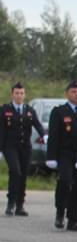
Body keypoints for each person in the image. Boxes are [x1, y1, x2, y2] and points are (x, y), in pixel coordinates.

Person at [45, 80, 77, 230]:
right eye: (73, 92)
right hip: (65, 154)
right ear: (67, 94)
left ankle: (73, 219)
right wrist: (51, 157)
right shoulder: (59, 112)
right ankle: (60, 212)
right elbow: (53, 136)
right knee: (65, 181)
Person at [0, 82, 44, 216]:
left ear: (24, 95)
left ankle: (20, 205)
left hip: (25, 147)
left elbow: (38, 125)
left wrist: (44, 136)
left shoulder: (29, 110)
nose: (19, 96)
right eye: (17, 93)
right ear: (12, 94)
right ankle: (11, 203)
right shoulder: (4, 110)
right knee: (15, 171)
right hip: (9, 147)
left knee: (23, 175)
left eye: (21, 93)